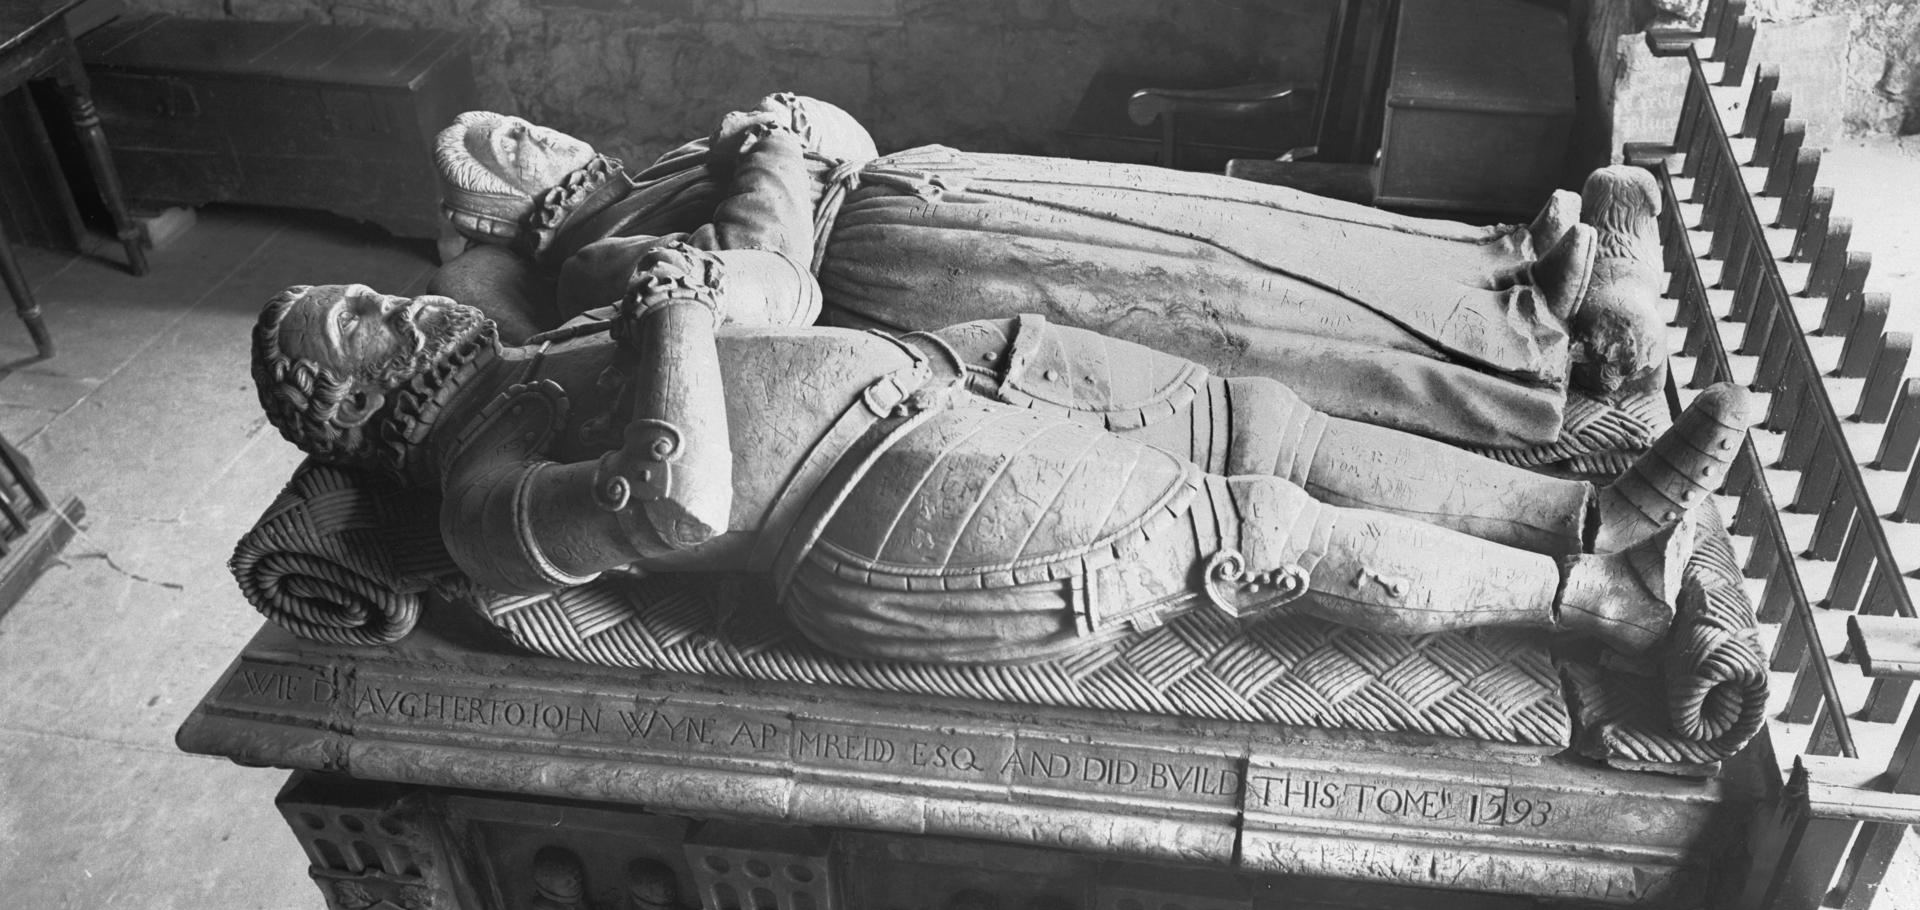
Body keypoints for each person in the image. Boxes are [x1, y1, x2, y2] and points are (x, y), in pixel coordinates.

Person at [250, 217, 1747, 669]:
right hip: (874, 517)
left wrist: (715, 286)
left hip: (933, 388)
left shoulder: (535, 352)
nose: (395, 304)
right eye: (362, 326)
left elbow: (787, 300)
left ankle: (1586, 512)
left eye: (371, 293)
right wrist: (675, 330)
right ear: (354, 406)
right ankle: (1591, 605)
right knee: (1244, 520)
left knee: (1261, 417)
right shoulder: (477, 501)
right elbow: (675, 502)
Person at [427, 99, 1662, 455]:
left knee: (1233, 222)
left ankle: (1517, 270)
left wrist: (819, 131)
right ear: (510, 202)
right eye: (513, 147)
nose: (540, 134)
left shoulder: (654, 165)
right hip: (911, 272)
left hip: (933, 194)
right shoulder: (595, 259)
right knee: (1225, 313)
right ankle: (1540, 362)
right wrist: (774, 155)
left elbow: (821, 157)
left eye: (523, 124)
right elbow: (758, 285)